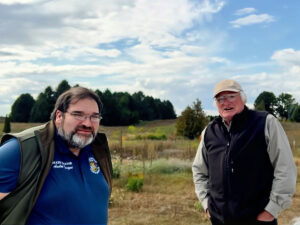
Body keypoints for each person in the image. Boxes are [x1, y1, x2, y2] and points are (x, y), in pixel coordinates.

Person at [0, 87, 112, 225]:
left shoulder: (97, 150)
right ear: (59, 116)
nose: (87, 123)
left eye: (94, 116)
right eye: (78, 114)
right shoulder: (22, 149)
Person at [192, 79, 297, 225]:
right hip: (219, 219)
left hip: (258, 219)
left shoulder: (265, 123)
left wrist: (271, 210)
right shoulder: (209, 131)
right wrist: (206, 204)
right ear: (215, 104)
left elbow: (285, 168)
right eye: (220, 98)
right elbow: (199, 170)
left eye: (231, 96)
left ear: (243, 98)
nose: (225, 102)